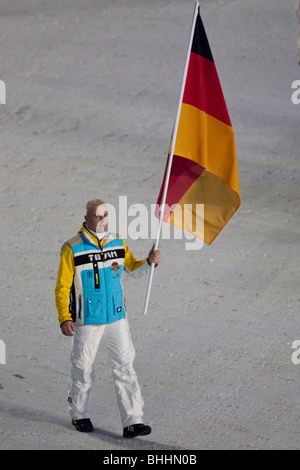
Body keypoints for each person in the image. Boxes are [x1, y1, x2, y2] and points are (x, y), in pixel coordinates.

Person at [55, 199, 161, 438]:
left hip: (116, 315)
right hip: (87, 318)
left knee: (125, 365)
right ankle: (80, 414)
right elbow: (62, 287)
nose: (103, 219)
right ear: (87, 219)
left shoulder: (117, 243)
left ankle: (133, 420)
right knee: (83, 366)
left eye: (105, 214)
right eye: (98, 215)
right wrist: (65, 317)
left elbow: (132, 268)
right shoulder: (72, 247)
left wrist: (149, 263)